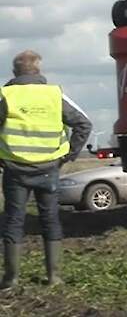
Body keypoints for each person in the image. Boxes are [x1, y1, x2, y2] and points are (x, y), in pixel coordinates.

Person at [0, 50, 91, 288]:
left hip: (15, 170)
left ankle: (11, 279)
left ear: (14, 72)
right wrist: (69, 154)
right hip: (49, 169)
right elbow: (84, 123)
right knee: (50, 219)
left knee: (13, 220)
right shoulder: (54, 94)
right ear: (39, 71)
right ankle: (54, 277)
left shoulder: (6, 95)